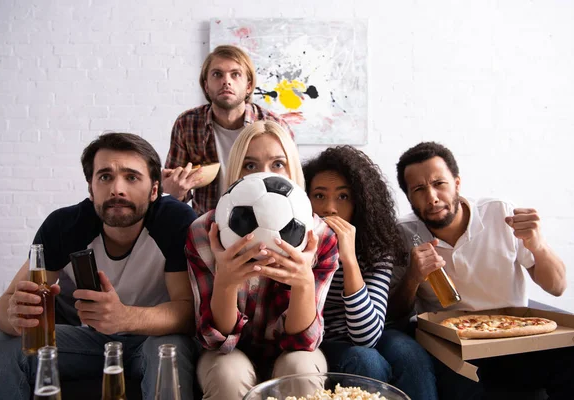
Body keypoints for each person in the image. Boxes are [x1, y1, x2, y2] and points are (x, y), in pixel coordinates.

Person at [0, 133, 199, 400]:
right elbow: (5, 306)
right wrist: (14, 316)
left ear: (154, 190)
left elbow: (188, 311)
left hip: (157, 338)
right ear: (91, 188)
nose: (117, 189)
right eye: (105, 176)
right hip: (93, 342)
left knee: (168, 350)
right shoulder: (64, 226)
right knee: (0, 346)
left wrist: (124, 317)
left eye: (131, 177)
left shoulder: (174, 221)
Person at [391, 141, 574, 399]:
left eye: (439, 184)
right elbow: (395, 314)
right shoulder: (403, 233)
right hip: (452, 347)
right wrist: (412, 277)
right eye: (419, 189)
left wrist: (538, 245)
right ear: (409, 197)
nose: (432, 197)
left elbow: (557, 287)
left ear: (457, 183)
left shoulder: (500, 213)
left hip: (514, 341)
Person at [186, 121, 339, 400]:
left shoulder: (321, 236)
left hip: (291, 352)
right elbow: (215, 339)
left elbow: (303, 342)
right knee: (227, 374)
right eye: (250, 165)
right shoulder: (203, 232)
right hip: (230, 354)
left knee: (301, 370)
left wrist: (304, 282)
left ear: (293, 171)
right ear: (235, 172)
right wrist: (226, 281)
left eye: (278, 164)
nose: (264, 175)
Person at [303, 146, 437, 400]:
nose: (330, 208)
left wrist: (349, 258)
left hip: (372, 330)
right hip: (324, 340)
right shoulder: (296, 244)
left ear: (360, 202)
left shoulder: (376, 245)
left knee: (410, 355)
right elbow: (362, 346)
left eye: (343, 197)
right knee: (364, 360)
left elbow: (367, 334)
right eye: (319, 196)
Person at [164, 45, 294, 216]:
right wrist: (175, 190)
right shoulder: (187, 124)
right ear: (206, 86)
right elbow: (176, 188)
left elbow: (292, 185)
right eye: (217, 74)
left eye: (235, 74)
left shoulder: (275, 126)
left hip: (263, 220)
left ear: (248, 85)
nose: (226, 81)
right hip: (207, 223)